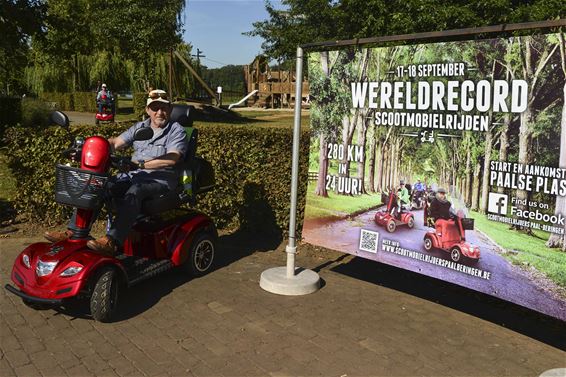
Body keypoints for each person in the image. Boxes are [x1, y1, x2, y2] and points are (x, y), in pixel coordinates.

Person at [45, 89, 188, 255]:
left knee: (136, 191)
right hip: (134, 176)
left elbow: (172, 158)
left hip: (160, 181)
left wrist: (140, 165)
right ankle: (75, 231)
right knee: (100, 184)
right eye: (155, 108)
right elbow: (116, 142)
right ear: (148, 110)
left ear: (170, 109)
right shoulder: (140, 127)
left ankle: (112, 241)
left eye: (164, 108)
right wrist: (92, 145)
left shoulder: (176, 130)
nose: (159, 112)